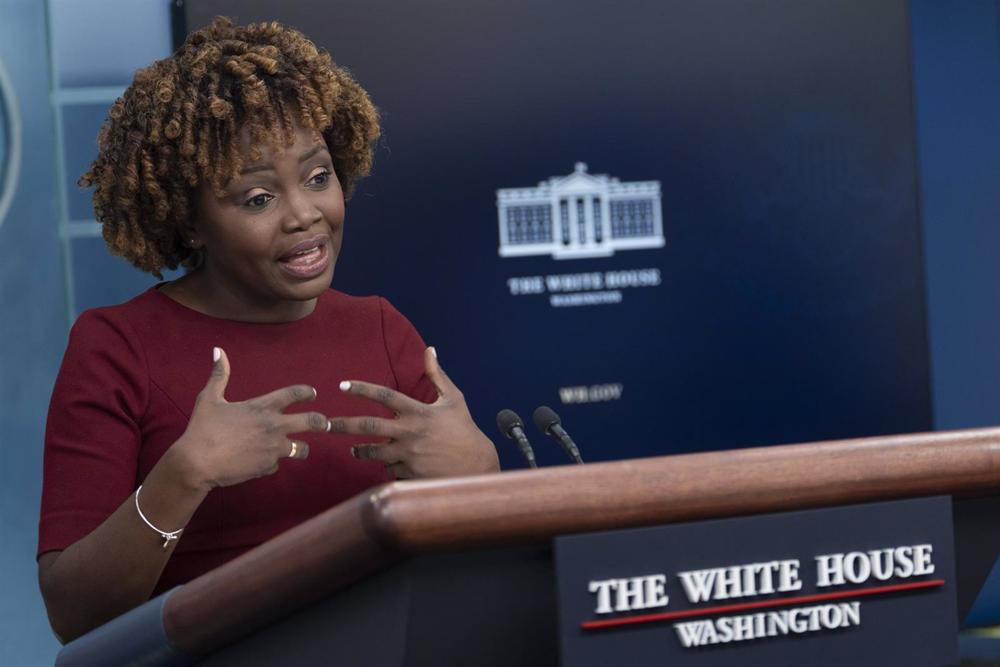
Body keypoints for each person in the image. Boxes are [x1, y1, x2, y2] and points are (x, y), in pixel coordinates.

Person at [36, 16, 499, 643]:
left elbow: (476, 561)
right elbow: (74, 613)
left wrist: (479, 476)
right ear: (190, 219)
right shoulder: (116, 347)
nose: (305, 215)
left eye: (317, 177)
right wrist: (187, 473)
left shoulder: (382, 328)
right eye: (258, 199)